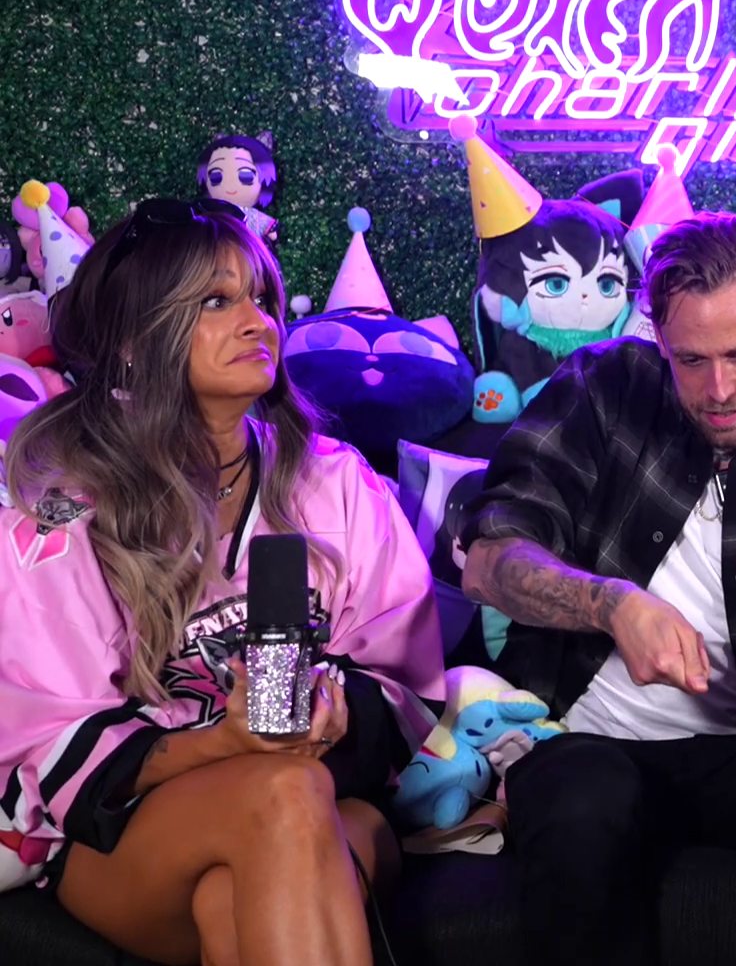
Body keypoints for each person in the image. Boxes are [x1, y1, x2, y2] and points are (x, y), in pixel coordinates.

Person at [0, 198, 445, 966]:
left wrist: (326, 715)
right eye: (215, 301)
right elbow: (49, 735)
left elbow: (403, 676)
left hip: (318, 791)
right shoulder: (62, 506)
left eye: (262, 297)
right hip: (129, 834)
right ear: (134, 340)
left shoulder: (336, 482)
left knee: (248, 874)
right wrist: (224, 743)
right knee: (284, 797)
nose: (257, 322)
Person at [460, 212, 736, 965]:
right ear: (659, 338)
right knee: (579, 808)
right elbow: (490, 558)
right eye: (692, 359)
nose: (719, 389)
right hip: (585, 737)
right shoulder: (604, 388)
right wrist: (610, 604)